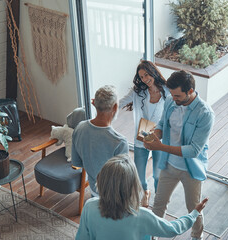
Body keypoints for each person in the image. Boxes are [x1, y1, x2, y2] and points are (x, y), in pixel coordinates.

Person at [144, 70, 215, 240]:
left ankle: (197, 237)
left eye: (177, 96)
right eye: (171, 95)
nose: (173, 99)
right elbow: (162, 123)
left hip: (191, 170)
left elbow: (193, 150)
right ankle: (154, 236)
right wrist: (154, 135)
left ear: (190, 91)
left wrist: (160, 147)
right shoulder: (170, 101)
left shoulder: (205, 114)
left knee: (194, 209)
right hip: (169, 165)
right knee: (159, 204)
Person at [75, 154, 208, 240]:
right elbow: (172, 229)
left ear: (101, 180)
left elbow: (82, 238)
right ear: (133, 186)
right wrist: (194, 214)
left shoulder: (89, 206)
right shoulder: (142, 215)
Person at [119, 60, 170, 207]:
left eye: (146, 75)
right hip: (143, 134)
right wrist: (103, 104)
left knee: (157, 175)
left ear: (153, 72)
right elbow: (121, 102)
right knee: (140, 176)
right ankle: (145, 191)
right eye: (141, 77)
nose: (145, 79)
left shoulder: (167, 91)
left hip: (160, 136)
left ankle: (160, 200)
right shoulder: (138, 91)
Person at [72, 85, 129, 197]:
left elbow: (77, 162)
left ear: (94, 103)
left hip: (94, 191)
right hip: (114, 196)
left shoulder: (79, 128)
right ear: (115, 107)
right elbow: (123, 180)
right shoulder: (119, 142)